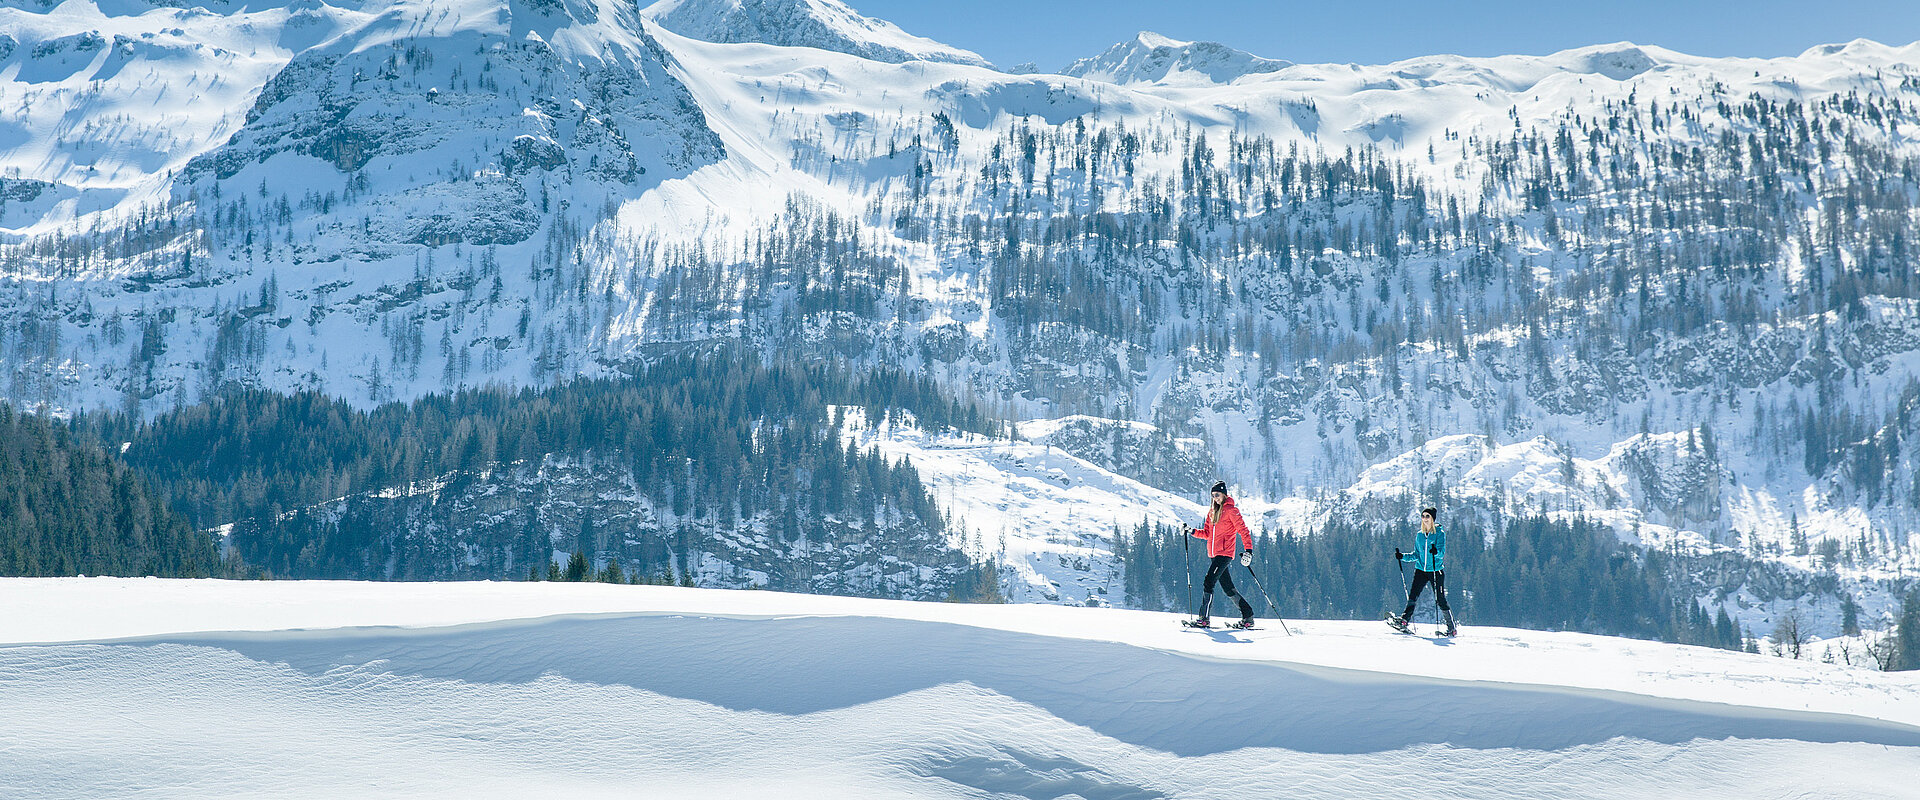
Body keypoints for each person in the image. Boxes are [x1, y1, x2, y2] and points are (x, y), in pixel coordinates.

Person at [1188, 481, 1255, 629]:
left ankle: (1204, 618)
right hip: (1213, 554)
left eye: (1217, 495)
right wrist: (1192, 531)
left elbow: (1243, 531)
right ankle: (1248, 616)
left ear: (1224, 494)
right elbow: (1206, 534)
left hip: (1224, 554)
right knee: (1227, 587)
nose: (1215, 498)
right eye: (1213, 496)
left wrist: (1248, 551)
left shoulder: (1232, 511)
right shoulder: (1212, 512)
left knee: (1209, 581)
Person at [1389, 507, 1457, 636]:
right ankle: (1404, 620)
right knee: (1413, 595)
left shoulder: (1439, 533)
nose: (1425, 518)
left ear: (1432, 519)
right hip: (1421, 570)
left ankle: (1451, 628)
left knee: (1440, 599)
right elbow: (1416, 554)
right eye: (1423, 516)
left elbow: (1441, 553)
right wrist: (1402, 556)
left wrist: (1435, 552)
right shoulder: (1419, 535)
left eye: (1427, 516)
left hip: (1436, 570)